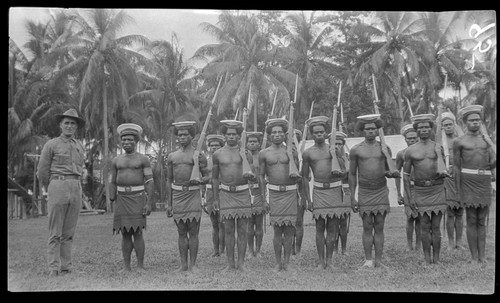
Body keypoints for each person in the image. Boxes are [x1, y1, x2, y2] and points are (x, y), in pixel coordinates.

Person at [37, 108, 86, 277]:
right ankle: (53, 267)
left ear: (76, 127)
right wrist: (50, 188)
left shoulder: (79, 146)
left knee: (69, 232)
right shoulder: (51, 144)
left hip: (75, 186)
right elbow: (42, 171)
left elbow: (80, 168)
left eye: (73, 123)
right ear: (60, 125)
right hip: (58, 184)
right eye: (66, 123)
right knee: (55, 231)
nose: (70, 126)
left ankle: (66, 267)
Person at [302, 116, 349, 270]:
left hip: (335, 190)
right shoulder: (308, 153)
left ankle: (329, 261)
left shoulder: (334, 149)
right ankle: (321, 261)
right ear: (311, 134)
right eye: (315, 132)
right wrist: (307, 198)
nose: (319, 135)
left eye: (322, 132)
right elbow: (304, 177)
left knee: (333, 228)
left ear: (326, 132)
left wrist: (338, 156)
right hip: (319, 192)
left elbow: (344, 173)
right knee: (320, 227)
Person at [349, 114, 395, 269]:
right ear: (363, 130)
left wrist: (392, 173)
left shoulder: (384, 148)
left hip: (381, 190)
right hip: (365, 191)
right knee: (367, 226)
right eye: (367, 129)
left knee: (380, 226)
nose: (370, 131)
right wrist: (352, 197)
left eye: (373, 129)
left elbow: (389, 171)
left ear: (377, 130)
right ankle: (368, 260)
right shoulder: (356, 150)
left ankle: (379, 260)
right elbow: (352, 174)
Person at [404, 114, 449, 265]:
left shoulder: (439, 147)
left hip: (437, 189)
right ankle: (427, 259)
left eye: (427, 127)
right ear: (416, 130)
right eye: (420, 127)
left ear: (431, 129)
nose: (424, 130)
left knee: (436, 226)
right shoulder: (410, 151)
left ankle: (436, 259)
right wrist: (409, 198)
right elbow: (405, 176)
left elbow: (448, 168)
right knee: (424, 226)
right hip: (420, 191)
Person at [453, 105, 496, 265]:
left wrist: (492, 147)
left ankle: (482, 256)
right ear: (465, 122)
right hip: (467, 181)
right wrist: (458, 191)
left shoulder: (486, 140)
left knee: (481, 220)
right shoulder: (459, 141)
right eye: (472, 120)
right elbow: (457, 167)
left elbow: (492, 164)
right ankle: (473, 257)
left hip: (484, 182)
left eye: (478, 120)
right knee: (471, 219)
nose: (475, 123)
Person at [212, 120, 255, 271]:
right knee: (228, 230)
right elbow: (215, 178)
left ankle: (241, 263)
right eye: (228, 134)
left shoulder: (246, 153)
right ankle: (230, 264)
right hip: (226, 194)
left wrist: (251, 175)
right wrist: (216, 198)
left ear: (239, 136)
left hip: (243, 193)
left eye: (234, 134)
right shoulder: (217, 154)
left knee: (243, 230)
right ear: (224, 135)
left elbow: (253, 174)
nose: (231, 137)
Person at [109, 123, 154, 272]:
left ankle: (140, 266)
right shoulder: (116, 160)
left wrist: (149, 203)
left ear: (136, 141)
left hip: (138, 197)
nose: (127, 143)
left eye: (130, 140)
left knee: (138, 232)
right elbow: (113, 181)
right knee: (125, 233)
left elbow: (149, 181)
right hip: (122, 198)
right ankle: (126, 267)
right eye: (124, 140)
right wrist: (111, 197)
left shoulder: (143, 159)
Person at [258, 118, 300, 272]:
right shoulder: (264, 153)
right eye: (274, 132)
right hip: (274, 194)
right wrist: (263, 199)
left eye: (280, 132)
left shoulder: (291, 151)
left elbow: (299, 174)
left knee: (289, 229)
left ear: (285, 135)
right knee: (277, 230)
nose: (277, 134)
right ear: (269, 135)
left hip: (290, 193)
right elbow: (261, 177)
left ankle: (287, 262)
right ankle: (277, 262)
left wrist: (294, 157)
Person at [166, 121, 208, 272]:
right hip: (178, 195)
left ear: (192, 136)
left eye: (185, 134)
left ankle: (193, 265)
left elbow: (208, 176)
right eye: (180, 135)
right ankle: (183, 264)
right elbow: (169, 180)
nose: (182, 137)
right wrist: (169, 203)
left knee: (193, 231)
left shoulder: (199, 156)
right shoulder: (172, 156)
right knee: (181, 232)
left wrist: (200, 180)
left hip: (193, 195)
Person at [440, 112, 465, 250]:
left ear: (454, 124)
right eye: (445, 125)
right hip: (448, 177)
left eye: (450, 124)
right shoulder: (440, 143)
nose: (448, 127)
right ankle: (450, 242)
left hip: (461, 177)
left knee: (460, 212)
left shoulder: (461, 139)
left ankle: (459, 242)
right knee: (450, 212)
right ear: (442, 127)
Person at [395, 124, 421, 251]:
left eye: (414, 138)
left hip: (422, 189)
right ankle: (409, 245)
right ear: (405, 139)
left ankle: (419, 245)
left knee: (421, 218)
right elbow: (397, 174)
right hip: (408, 188)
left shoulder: (423, 152)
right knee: (410, 217)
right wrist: (399, 194)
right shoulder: (401, 154)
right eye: (409, 138)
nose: (412, 140)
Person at [202, 134, 226, 257]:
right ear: (208, 147)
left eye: (217, 145)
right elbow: (202, 177)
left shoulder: (226, 160)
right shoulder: (205, 161)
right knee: (214, 224)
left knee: (222, 223)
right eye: (212, 145)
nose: (214, 147)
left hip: (223, 192)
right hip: (210, 193)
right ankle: (216, 250)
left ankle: (222, 249)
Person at [246, 131, 265, 258]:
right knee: (248, 224)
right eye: (250, 142)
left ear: (259, 144)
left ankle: (258, 250)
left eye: (255, 142)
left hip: (259, 192)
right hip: (246, 192)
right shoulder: (243, 156)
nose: (252, 144)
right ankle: (249, 250)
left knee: (258, 223)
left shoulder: (263, 156)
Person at [334, 131, 352, 256]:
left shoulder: (347, 157)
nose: (337, 146)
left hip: (345, 190)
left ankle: (344, 249)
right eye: (334, 144)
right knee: (333, 222)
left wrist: (344, 158)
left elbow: (349, 173)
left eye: (339, 144)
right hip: (332, 191)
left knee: (343, 222)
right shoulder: (328, 158)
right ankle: (334, 249)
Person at [292, 129, 306, 257]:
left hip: (300, 192)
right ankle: (290, 247)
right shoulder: (282, 154)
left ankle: (298, 248)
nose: (292, 143)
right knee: (288, 221)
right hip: (286, 194)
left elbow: (309, 177)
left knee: (298, 221)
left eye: (295, 140)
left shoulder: (303, 156)